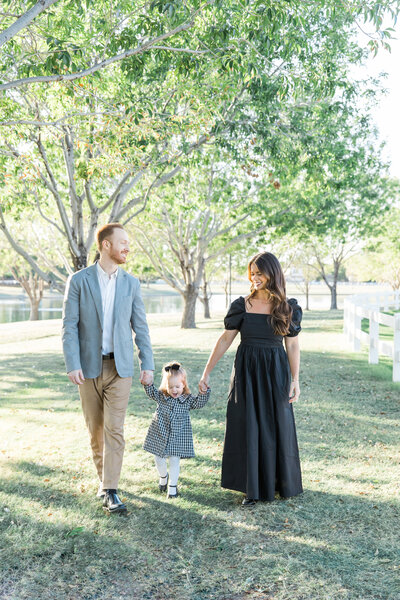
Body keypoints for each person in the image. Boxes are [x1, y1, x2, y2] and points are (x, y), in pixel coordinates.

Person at [62, 223, 154, 513]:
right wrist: (72, 363)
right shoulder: (79, 281)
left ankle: (111, 490)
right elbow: (69, 326)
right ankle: (104, 483)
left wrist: (147, 363)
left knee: (115, 428)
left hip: (120, 368)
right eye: (123, 242)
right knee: (96, 430)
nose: (127, 247)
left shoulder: (132, 283)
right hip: (88, 368)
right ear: (105, 245)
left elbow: (141, 327)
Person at [199, 251, 303, 507]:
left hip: (275, 371)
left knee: (275, 423)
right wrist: (206, 372)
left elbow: (292, 346)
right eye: (252, 274)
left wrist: (295, 379)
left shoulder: (287, 307)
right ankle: (251, 488)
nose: (255, 278)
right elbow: (225, 339)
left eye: (260, 273)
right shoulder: (241, 305)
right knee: (248, 425)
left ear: (273, 273)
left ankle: (278, 482)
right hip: (246, 371)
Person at [142, 361, 211, 499]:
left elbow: (199, 403)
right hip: (160, 433)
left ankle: (172, 487)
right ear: (166, 386)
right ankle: (163, 477)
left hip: (178, 436)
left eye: (177, 387)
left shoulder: (188, 400)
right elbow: (151, 392)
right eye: (171, 387)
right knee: (158, 458)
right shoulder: (161, 397)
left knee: (174, 460)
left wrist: (204, 392)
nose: (174, 390)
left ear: (183, 385)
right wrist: (147, 383)